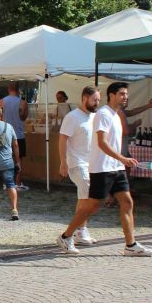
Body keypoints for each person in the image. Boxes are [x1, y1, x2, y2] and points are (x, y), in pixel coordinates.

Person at [88, 82, 152, 256]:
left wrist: (121, 161)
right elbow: (102, 143)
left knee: (127, 202)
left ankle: (130, 245)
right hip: (102, 167)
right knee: (93, 206)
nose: (126, 97)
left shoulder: (117, 114)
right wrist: (123, 158)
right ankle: (67, 235)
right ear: (112, 95)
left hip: (116, 167)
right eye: (122, 94)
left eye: (126, 94)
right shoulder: (103, 114)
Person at [55, 86, 101, 254]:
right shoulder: (72, 116)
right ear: (85, 98)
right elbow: (62, 139)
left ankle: (81, 230)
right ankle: (72, 234)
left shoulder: (95, 116)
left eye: (99, 100)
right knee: (87, 195)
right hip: (76, 162)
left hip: (90, 163)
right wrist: (63, 162)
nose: (97, 103)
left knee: (84, 197)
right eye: (94, 100)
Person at [0, 83, 29, 190]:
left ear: (8, 89)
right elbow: (23, 118)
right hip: (18, 134)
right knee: (18, 159)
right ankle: (17, 183)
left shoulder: (0, 102)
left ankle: (6, 183)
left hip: (5, 134)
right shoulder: (23, 103)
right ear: (18, 90)